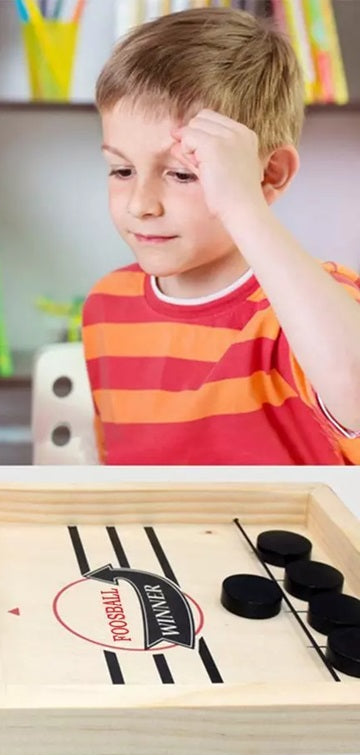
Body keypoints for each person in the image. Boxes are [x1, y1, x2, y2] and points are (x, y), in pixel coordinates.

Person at [81, 7, 360, 465]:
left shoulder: (311, 305)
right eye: (121, 169)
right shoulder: (106, 306)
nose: (140, 204)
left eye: (182, 174)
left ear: (270, 175)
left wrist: (243, 204)